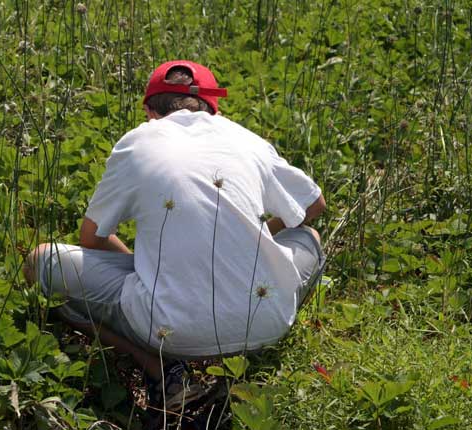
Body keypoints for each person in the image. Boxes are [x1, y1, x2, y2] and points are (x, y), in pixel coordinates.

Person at [23, 60, 326, 411]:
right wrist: (257, 239)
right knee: (309, 238)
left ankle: (159, 367)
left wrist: (147, 267)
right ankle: (244, 361)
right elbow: (313, 205)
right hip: (267, 323)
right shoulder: (245, 138)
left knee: (41, 261)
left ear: (150, 111)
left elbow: (91, 237)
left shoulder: (139, 141)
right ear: (214, 108)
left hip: (168, 332)